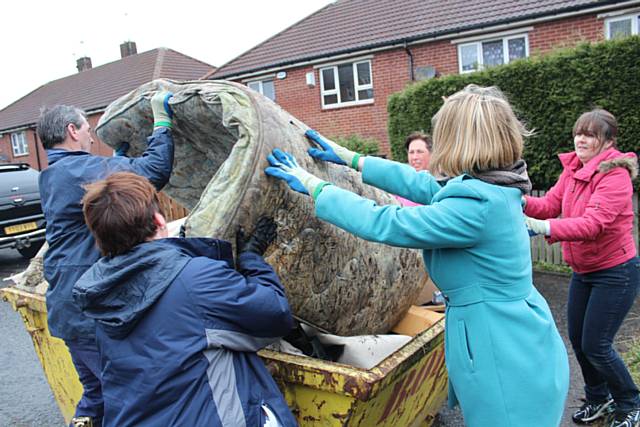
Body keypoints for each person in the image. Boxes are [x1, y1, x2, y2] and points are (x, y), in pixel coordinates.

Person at [266, 85, 569, 427]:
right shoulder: (495, 187)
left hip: (501, 348)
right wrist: (351, 159)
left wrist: (312, 184)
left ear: (461, 141)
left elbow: (385, 222)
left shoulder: (475, 207)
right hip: (516, 334)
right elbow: (424, 186)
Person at [72, 172, 296, 427]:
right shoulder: (194, 278)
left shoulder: (101, 293)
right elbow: (276, 316)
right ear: (159, 220)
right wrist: (252, 260)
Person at [36, 91, 175, 427]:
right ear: (72, 131)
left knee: (96, 395)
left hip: (69, 308)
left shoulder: (51, 174)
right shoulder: (76, 171)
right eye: (86, 129)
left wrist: (116, 159)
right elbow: (153, 171)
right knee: (128, 400)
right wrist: (162, 123)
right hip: (89, 313)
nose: (90, 135)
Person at [524, 109, 640, 427]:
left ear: (608, 141)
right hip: (584, 271)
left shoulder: (615, 175)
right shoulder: (574, 169)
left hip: (615, 272)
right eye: (578, 132)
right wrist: (516, 200)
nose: (581, 139)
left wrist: (541, 226)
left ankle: (631, 402)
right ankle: (598, 399)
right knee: (578, 339)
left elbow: (593, 224)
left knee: (597, 345)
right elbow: (549, 203)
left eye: (590, 134)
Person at [395, 132, 432, 207]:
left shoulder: (438, 183)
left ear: (431, 154)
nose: (414, 157)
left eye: (420, 152)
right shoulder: (400, 184)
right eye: (411, 152)